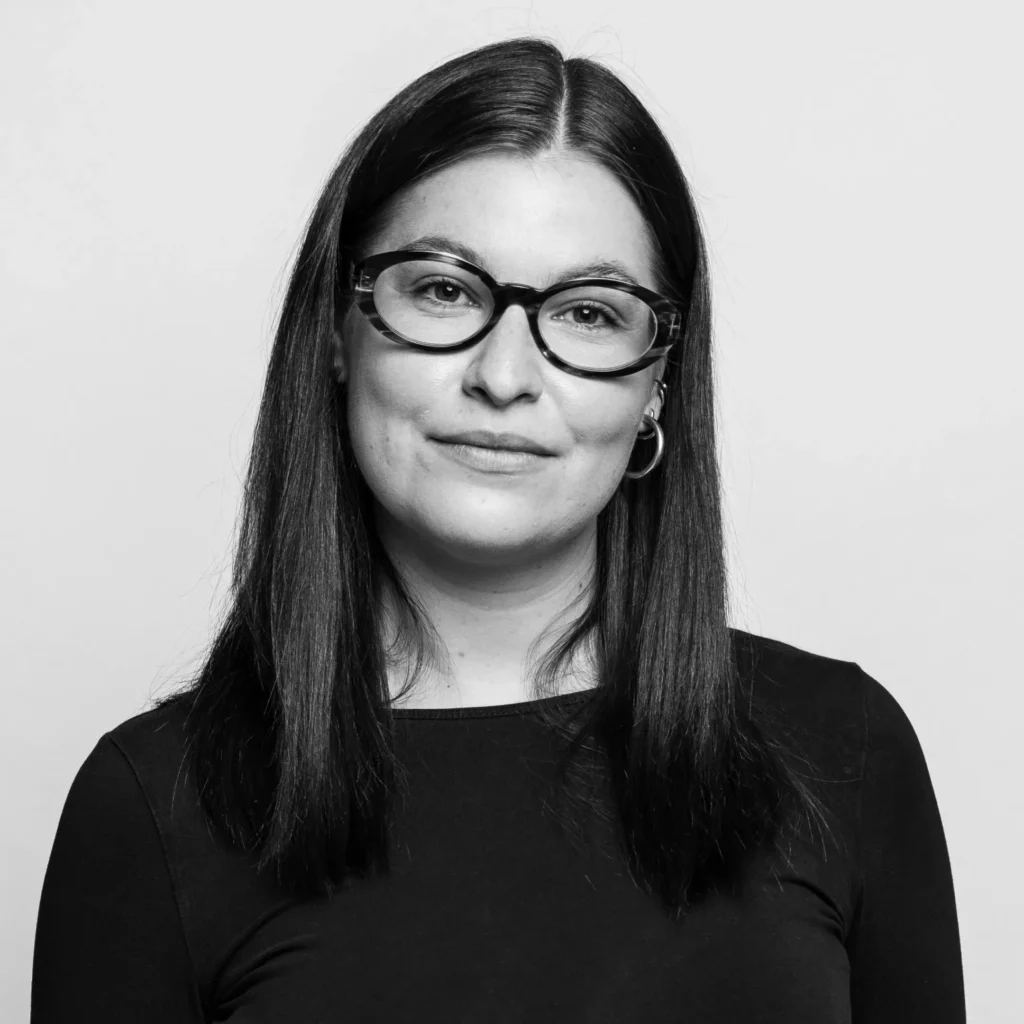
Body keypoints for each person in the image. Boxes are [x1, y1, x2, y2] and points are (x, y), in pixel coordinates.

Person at [30, 37, 965, 1023]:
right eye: (444, 290)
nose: (505, 376)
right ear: (340, 330)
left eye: (590, 313)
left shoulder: (846, 751)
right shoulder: (153, 805)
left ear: (658, 379)